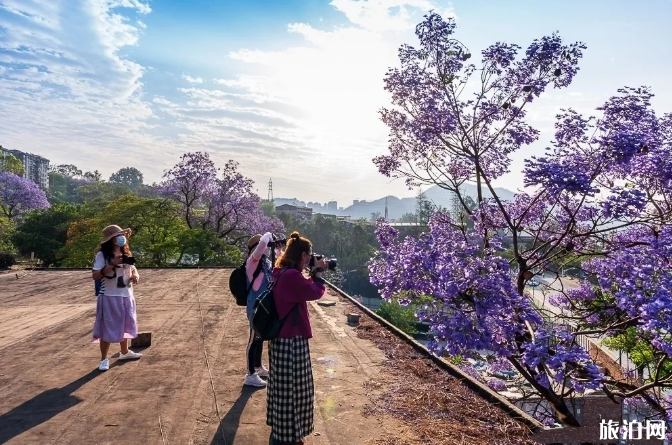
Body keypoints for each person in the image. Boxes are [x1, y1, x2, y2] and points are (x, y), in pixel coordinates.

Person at [267, 231, 328, 445]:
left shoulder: (281, 271)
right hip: (290, 341)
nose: (311, 259)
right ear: (303, 255)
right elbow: (314, 292)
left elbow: (302, 290)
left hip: (281, 339)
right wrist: (319, 274)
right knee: (294, 391)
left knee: (284, 389)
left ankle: (285, 433)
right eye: (309, 256)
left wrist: (313, 272)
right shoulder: (292, 276)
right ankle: (286, 438)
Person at [91, 225, 142, 372]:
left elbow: (133, 268)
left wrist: (135, 276)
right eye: (118, 235)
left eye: (122, 235)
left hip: (126, 294)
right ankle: (103, 359)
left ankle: (124, 352)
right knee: (108, 326)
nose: (121, 237)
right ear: (111, 239)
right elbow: (95, 275)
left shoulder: (126, 252)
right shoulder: (102, 255)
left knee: (125, 323)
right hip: (110, 295)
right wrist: (112, 264)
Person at [244, 232, 275, 387]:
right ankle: (250, 374)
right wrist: (267, 236)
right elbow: (260, 247)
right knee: (253, 340)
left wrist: (279, 248)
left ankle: (258, 367)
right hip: (254, 308)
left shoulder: (265, 264)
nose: (267, 249)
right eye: (265, 246)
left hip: (264, 307)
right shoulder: (252, 262)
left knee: (260, 337)